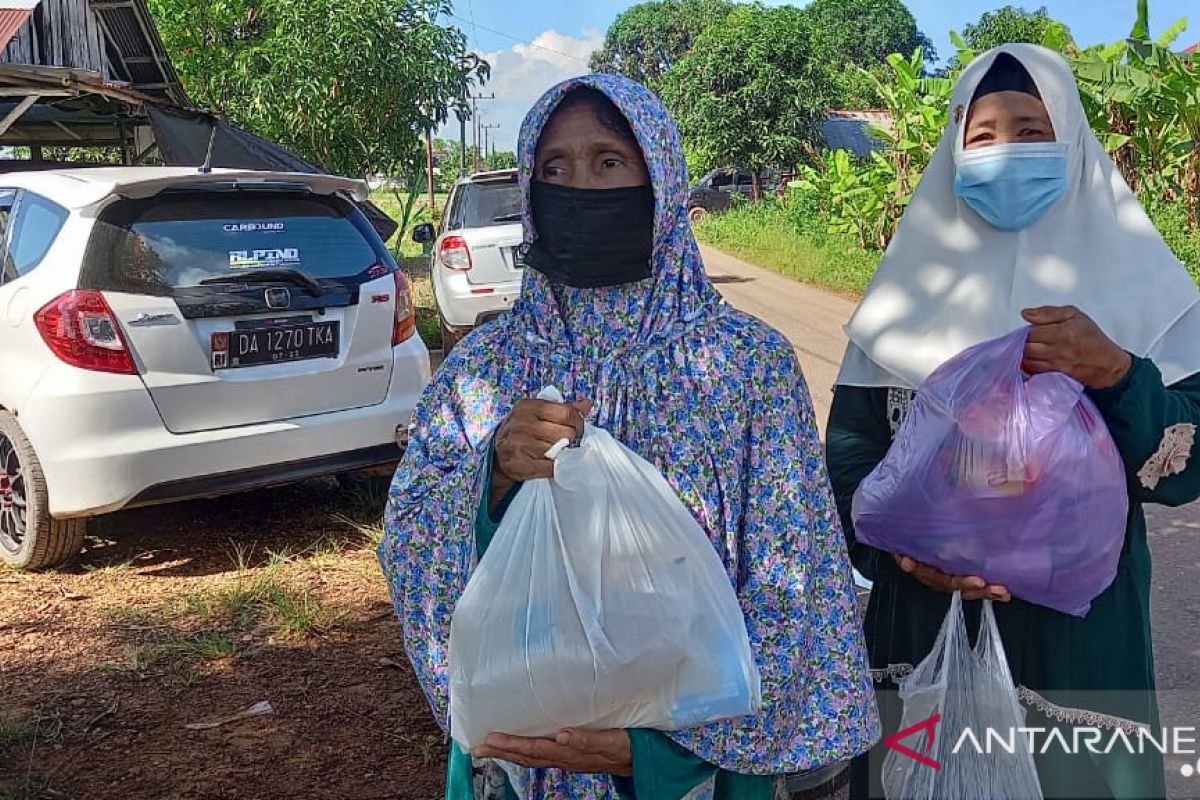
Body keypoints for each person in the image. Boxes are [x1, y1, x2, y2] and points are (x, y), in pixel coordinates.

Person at [379, 75, 879, 800]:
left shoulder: (747, 366)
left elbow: (792, 586)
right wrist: (490, 475)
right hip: (528, 763)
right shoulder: (484, 370)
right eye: (554, 169)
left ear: (663, 181)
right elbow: (411, 543)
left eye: (609, 161)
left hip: (699, 771)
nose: (579, 186)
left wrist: (662, 748)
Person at [827, 44, 1200, 800]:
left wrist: (1121, 376)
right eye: (984, 135)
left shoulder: (1148, 296)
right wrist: (903, 553)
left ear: (1071, 141)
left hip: (1079, 644)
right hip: (923, 629)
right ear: (953, 149)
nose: (1006, 153)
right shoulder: (904, 296)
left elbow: (1184, 473)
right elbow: (848, 456)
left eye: (1031, 132)